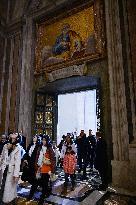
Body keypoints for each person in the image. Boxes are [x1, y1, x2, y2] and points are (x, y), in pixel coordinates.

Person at [0, 133, 21, 204]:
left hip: (11, 170)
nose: (13, 134)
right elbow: (1, 157)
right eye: (12, 133)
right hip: (3, 168)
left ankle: (8, 200)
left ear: (17, 137)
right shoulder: (6, 145)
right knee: (2, 184)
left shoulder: (18, 147)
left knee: (9, 187)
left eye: (15, 134)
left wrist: (16, 174)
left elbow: (18, 162)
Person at [37, 135, 56, 205]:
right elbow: (37, 157)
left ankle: (42, 198)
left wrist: (53, 171)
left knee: (44, 184)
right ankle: (47, 191)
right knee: (42, 183)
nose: (43, 141)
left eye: (45, 140)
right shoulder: (40, 147)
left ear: (47, 141)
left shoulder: (50, 148)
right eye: (42, 140)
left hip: (47, 169)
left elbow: (53, 160)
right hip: (41, 168)